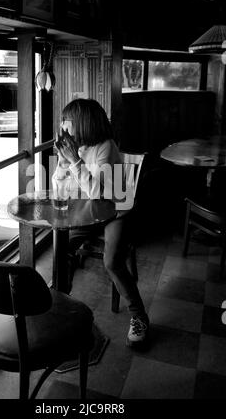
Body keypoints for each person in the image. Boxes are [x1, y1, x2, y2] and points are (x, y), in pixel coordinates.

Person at [53, 98, 149, 346]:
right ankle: (62, 307)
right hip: (91, 212)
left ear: (83, 123)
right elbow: (60, 190)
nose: (63, 125)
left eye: (67, 121)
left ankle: (139, 317)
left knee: (112, 261)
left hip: (118, 211)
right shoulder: (78, 148)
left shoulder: (106, 147)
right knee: (62, 250)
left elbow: (98, 191)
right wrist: (63, 165)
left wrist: (74, 162)